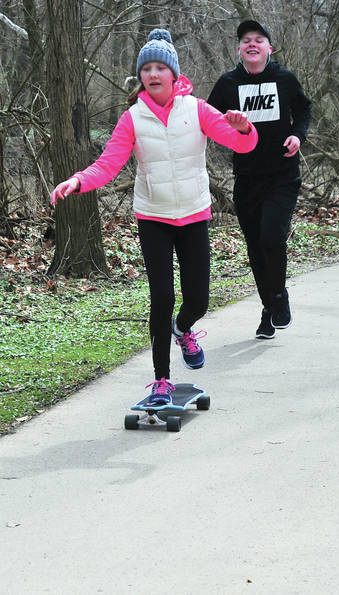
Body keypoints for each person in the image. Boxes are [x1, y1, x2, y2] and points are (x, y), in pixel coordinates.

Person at [50, 29, 258, 404]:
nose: (154, 73)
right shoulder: (133, 118)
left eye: (161, 66)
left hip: (194, 215)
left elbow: (241, 143)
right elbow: (109, 164)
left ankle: (184, 328)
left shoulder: (197, 109)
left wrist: (245, 128)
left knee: (198, 300)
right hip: (153, 218)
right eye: (147, 67)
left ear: (174, 75)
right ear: (141, 77)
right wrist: (78, 180)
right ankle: (161, 380)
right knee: (161, 296)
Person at [207, 20, 312, 340]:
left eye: (259, 40)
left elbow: (304, 110)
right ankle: (268, 308)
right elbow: (207, 120)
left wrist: (298, 135)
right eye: (246, 40)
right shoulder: (228, 84)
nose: (252, 44)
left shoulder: (284, 79)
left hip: (282, 175)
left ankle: (279, 297)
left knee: (271, 237)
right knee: (255, 247)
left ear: (269, 48)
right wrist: (229, 129)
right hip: (247, 178)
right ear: (239, 49)